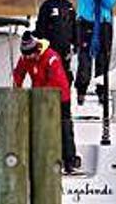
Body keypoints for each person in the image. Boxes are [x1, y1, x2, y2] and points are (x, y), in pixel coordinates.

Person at [14, 31, 80, 173]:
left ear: (36, 49)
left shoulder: (51, 57)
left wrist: (40, 96)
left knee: (64, 128)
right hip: (40, 97)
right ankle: (43, 158)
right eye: (25, 55)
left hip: (60, 97)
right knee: (40, 128)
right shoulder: (26, 58)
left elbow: (54, 81)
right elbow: (19, 73)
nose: (27, 58)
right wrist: (16, 90)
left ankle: (70, 160)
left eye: (30, 54)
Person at [60, 0, 116, 106]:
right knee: (84, 62)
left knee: (103, 62)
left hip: (104, 26)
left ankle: (102, 94)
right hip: (85, 26)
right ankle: (81, 91)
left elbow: (110, 3)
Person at [35, 0, 77, 84]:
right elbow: (41, 26)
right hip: (52, 46)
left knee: (65, 70)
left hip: (66, 46)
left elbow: (74, 26)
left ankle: (66, 92)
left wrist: (76, 43)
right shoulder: (47, 6)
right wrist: (42, 41)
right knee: (52, 69)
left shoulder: (69, 7)